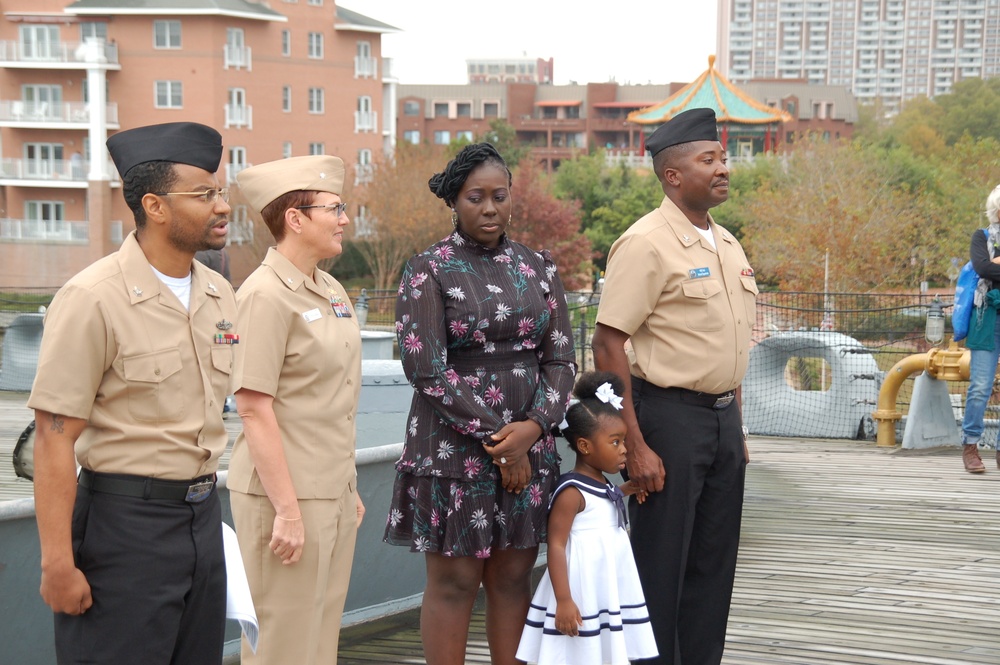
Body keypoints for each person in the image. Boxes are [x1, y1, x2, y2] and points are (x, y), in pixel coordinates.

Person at [28, 121, 237, 664]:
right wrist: (56, 562)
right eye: (204, 194)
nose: (222, 206)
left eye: (220, 191)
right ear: (155, 205)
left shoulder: (219, 294)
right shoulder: (94, 298)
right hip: (124, 530)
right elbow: (55, 439)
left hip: (202, 518)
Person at [384, 142, 577, 665]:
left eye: (500, 196)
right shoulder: (428, 269)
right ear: (454, 202)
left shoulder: (539, 267)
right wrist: (503, 440)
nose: (490, 208)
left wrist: (533, 429)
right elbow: (425, 367)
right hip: (453, 453)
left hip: (529, 448)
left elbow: (561, 360)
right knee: (455, 581)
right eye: (476, 197)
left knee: (514, 576)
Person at [591, 107, 757, 665]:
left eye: (724, 158)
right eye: (707, 160)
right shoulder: (646, 243)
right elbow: (608, 344)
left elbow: (730, 342)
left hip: (721, 423)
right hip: (669, 422)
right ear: (672, 174)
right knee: (660, 567)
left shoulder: (726, 243)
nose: (722, 169)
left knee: (713, 565)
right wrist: (632, 442)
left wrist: (736, 425)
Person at [228, 154, 365, 664]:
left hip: (329, 492)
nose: (345, 218)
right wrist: (287, 509)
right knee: (281, 644)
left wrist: (346, 485)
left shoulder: (329, 290)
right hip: (283, 498)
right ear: (295, 218)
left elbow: (335, 398)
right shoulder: (264, 295)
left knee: (320, 638)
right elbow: (252, 407)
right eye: (336, 208)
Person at [516, 371, 658, 665]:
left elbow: (599, 505)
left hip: (603, 581)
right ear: (584, 446)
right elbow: (556, 545)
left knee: (600, 646)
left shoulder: (601, 483)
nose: (624, 449)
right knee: (577, 650)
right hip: (579, 587)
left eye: (624, 441)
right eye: (615, 442)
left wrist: (624, 490)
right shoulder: (571, 491)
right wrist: (564, 601)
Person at [959, 184, 1000, 473]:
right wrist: (992, 263)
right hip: (986, 319)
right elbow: (983, 269)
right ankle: (971, 445)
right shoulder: (981, 237)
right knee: (981, 388)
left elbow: (991, 267)